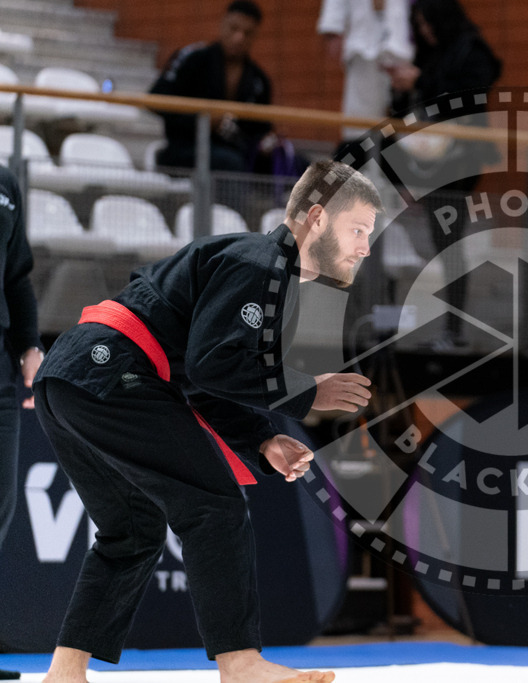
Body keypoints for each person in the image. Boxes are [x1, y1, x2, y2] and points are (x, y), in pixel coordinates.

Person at [33, 160, 383, 683]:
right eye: (358, 230)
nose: (365, 248)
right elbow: (211, 365)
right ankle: (240, 663)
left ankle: (65, 672)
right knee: (214, 506)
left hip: (73, 375)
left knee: (132, 531)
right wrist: (308, 390)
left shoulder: (263, 270)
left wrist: (263, 439)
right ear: (316, 218)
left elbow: (202, 377)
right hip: (111, 369)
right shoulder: (262, 264)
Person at [387, 0, 502, 347]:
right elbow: (406, 106)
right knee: (442, 240)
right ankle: (441, 328)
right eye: (419, 25)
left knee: (448, 239)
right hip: (427, 155)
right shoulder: (430, 54)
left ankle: (453, 330)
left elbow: (473, 89)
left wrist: (421, 80)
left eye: (429, 24)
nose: (425, 32)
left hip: (458, 159)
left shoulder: (470, 50)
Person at [0, 163, 44, 682]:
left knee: (2, 504)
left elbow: (16, 276)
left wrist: (30, 347)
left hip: (0, 369)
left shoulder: (6, 184)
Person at [150, 0, 276, 174]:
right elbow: (155, 100)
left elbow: (262, 128)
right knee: (231, 163)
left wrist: (268, 141)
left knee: (301, 166)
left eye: (247, 33)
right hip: (184, 150)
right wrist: (202, 120)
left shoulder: (258, 79)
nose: (239, 38)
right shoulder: (191, 58)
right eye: (234, 29)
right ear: (222, 24)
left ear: (255, 36)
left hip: (236, 151)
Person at [317, 0, 414, 164]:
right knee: (357, 126)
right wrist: (333, 27)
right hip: (362, 49)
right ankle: (354, 178)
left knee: (403, 126)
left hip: (400, 49)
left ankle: (400, 180)